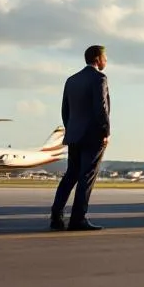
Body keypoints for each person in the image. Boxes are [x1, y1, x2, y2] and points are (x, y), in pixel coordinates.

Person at [50, 45, 110, 231]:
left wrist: (72, 129)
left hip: (74, 135)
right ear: (98, 58)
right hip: (93, 135)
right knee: (87, 177)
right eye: (105, 57)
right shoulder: (100, 78)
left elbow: (65, 110)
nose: (106, 61)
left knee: (71, 175)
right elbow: (101, 108)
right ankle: (78, 218)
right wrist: (106, 132)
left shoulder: (71, 80)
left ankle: (56, 216)